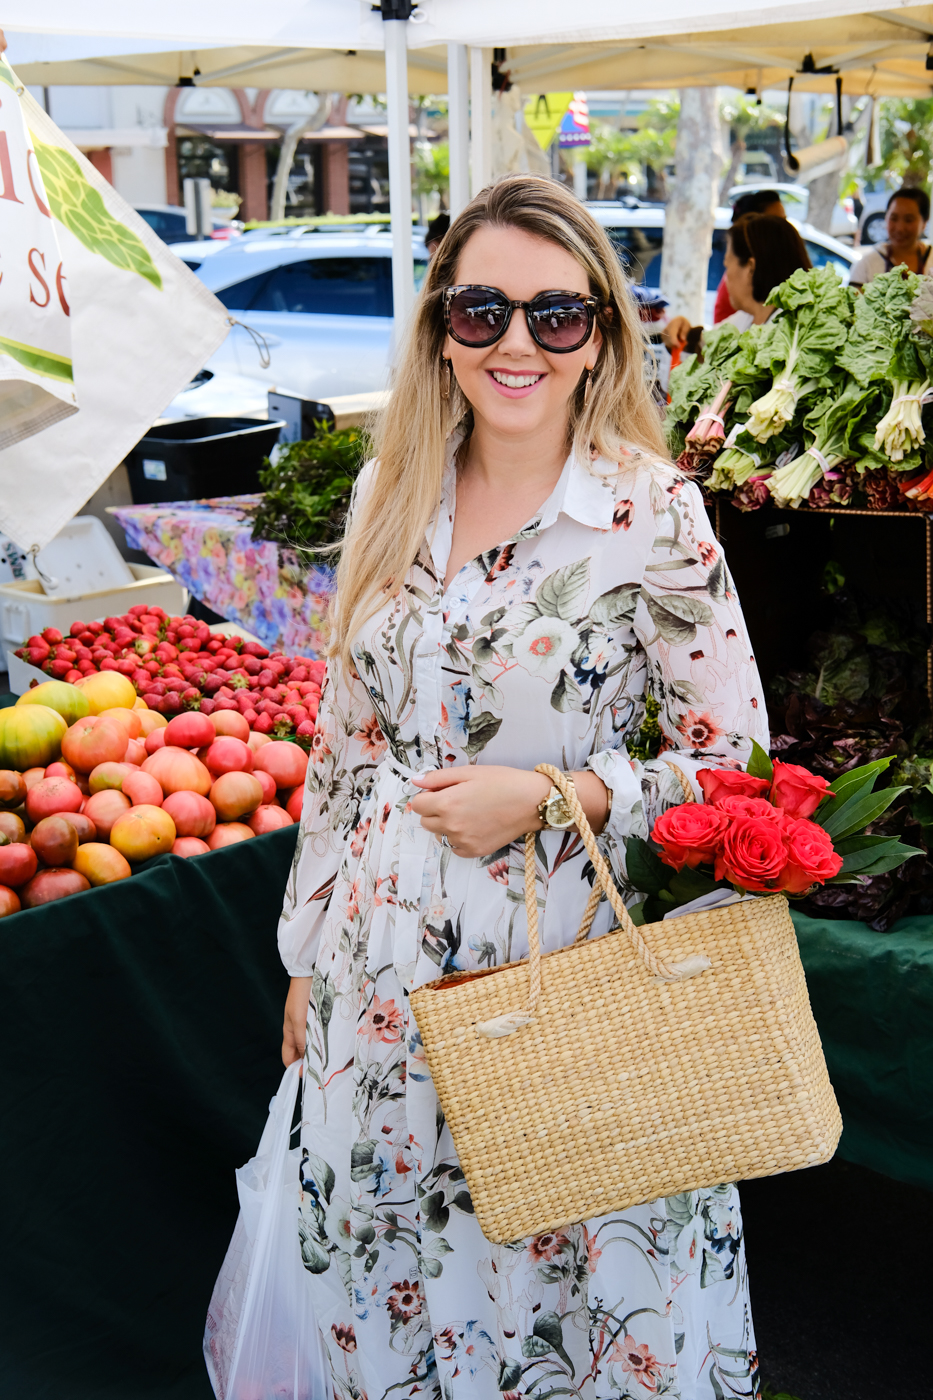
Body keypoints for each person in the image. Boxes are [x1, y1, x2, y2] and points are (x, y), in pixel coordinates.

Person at [278, 173, 767, 1400]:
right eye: (482, 308)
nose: (516, 344)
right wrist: (301, 953)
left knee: (565, 1297)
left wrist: (560, 792)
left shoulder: (651, 512)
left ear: (600, 333)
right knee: (394, 1284)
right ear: (441, 325)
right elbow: (343, 751)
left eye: (558, 315)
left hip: (563, 971)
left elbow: (736, 766)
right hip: (375, 978)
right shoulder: (387, 490)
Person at [721, 213, 812, 330]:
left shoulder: (788, 330)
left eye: (727, 266)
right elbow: (708, 338)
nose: (725, 278)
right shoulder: (748, 318)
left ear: (751, 268)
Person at [849, 186, 931, 286]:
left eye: (909, 220)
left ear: (924, 223)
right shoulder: (866, 265)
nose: (900, 228)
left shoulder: (930, 259)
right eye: (894, 218)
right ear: (886, 218)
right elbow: (853, 299)